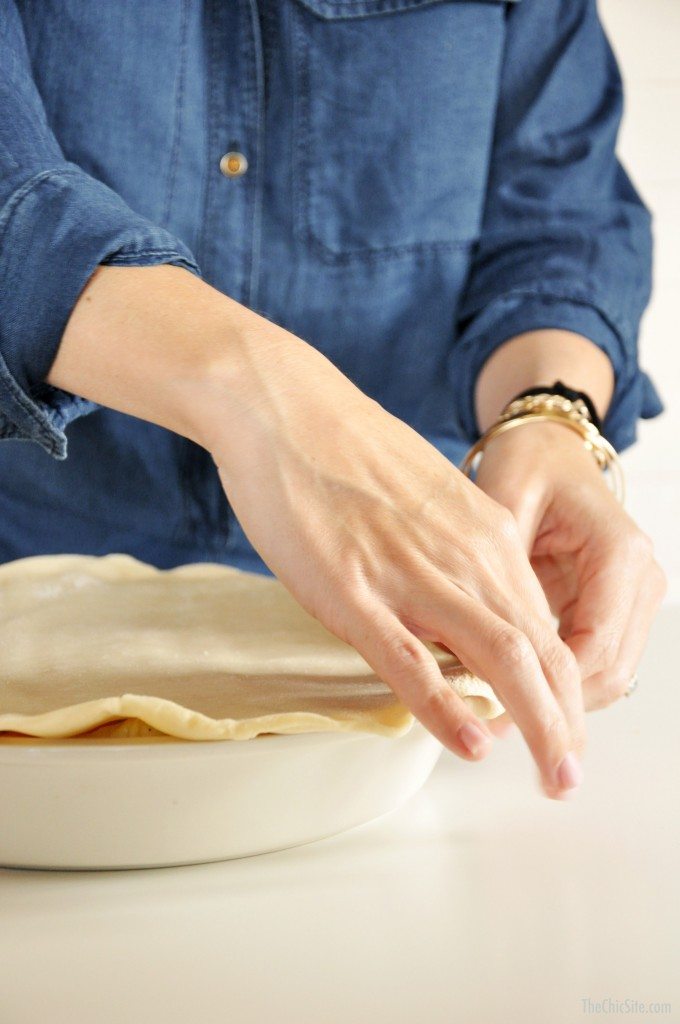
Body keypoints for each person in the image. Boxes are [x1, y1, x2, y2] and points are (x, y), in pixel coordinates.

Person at [0, 0, 667, 800]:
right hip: (24, 617)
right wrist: (266, 396)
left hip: (407, 687)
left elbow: (557, 223)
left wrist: (550, 418)